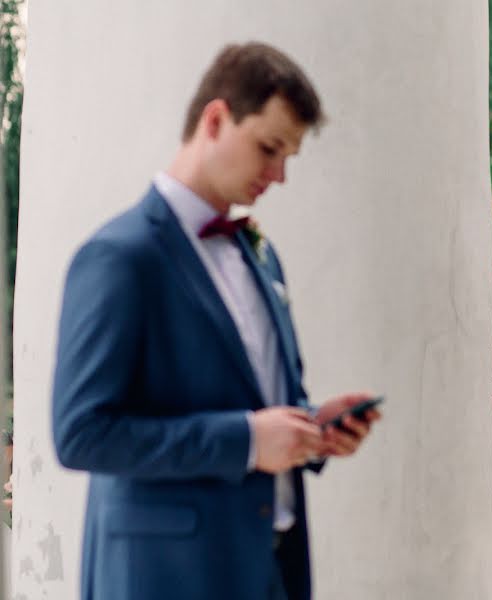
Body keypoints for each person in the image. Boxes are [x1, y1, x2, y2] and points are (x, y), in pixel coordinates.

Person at [51, 42, 380, 600]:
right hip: (166, 576)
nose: (279, 175)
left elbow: (254, 399)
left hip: (271, 568)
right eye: (269, 148)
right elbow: (81, 435)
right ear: (215, 119)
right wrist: (247, 440)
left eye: (289, 157)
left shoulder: (261, 253)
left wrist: (312, 426)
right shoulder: (119, 256)